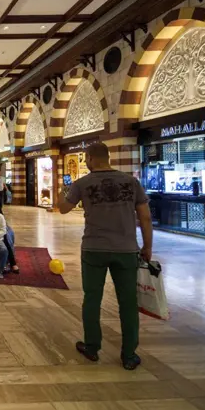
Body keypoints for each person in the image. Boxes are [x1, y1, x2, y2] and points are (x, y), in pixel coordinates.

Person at [58, 143, 153, 371]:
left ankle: (92, 347)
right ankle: (129, 354)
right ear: (108, 157)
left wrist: (63, 190)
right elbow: (145, 218)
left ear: (89, 158)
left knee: (92, 299)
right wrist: (147, 247)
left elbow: (62, 208)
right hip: (127, 249)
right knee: (128, 303)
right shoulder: (131, 182)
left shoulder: (83, 183)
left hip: (94, 249)